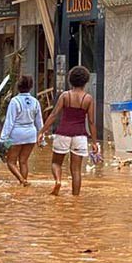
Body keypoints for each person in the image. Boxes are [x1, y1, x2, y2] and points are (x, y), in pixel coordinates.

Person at [38, 66, 99, 196]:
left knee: (56, 163)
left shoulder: (65, 96)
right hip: (80, 137)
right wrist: (94, 142)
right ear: (86, 81)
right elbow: (92, 122)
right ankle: (75, 199)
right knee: (76, 170)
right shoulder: (88, 99)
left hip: (63, 134)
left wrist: (42, 131)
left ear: (70, 80)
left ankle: (58, 181)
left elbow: (54, 115)